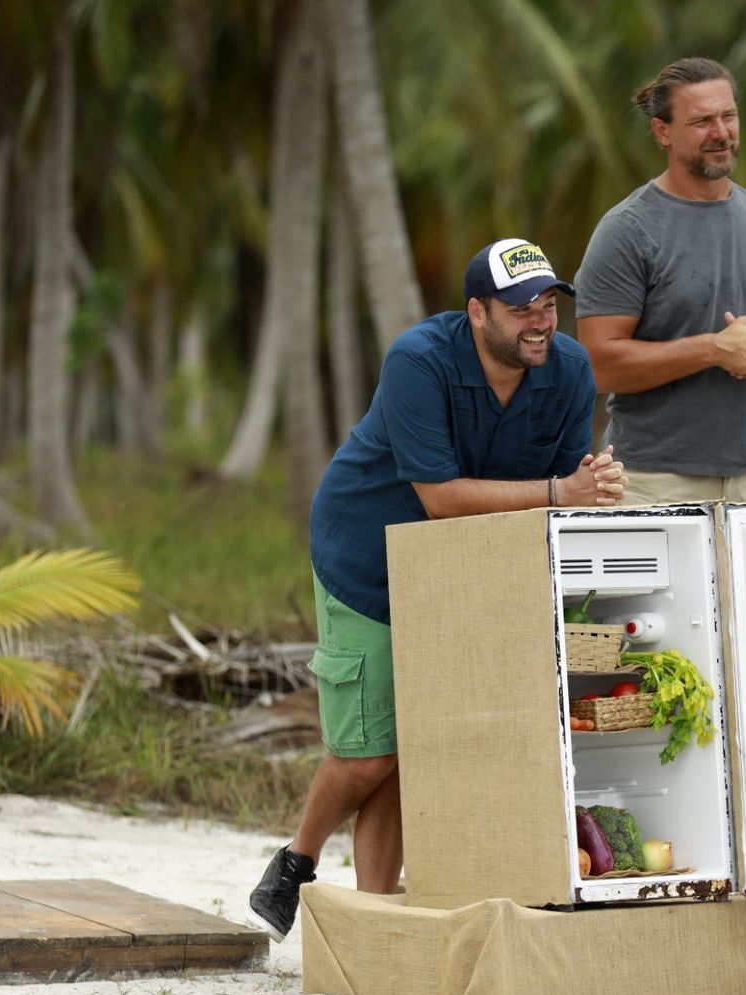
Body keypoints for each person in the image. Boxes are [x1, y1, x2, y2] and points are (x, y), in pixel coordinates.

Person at [246, 238, 627, 941]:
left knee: (414, 748)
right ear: (478, 313)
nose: (540, 322)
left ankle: (376, 921)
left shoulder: (571, 368)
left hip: (472, 569)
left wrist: (592, 489)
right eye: (521, 309)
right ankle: (299, 859)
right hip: (369, 560)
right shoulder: (418, 360)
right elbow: (441, 497)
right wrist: (560, 491)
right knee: (372, 751)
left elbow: (566, 492)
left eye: (549, 305)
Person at [575, 57, 746, 506]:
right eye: (702, 121)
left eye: (729, 116)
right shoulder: (627, 230)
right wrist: (714, 350)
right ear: (662, 132)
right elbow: (597, 365)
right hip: (652, 480)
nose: (721, 132)